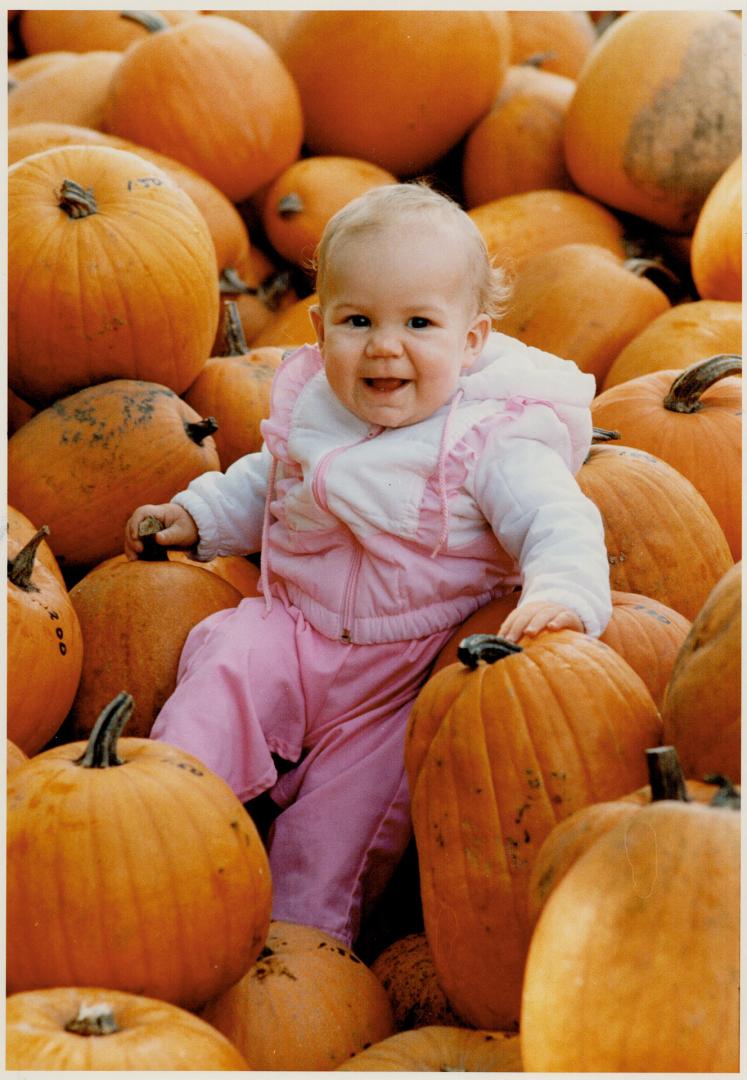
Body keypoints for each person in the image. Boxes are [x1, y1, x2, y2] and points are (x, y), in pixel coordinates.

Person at [124, 182, 612, 950]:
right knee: (218, 673)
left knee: (339, 831)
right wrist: (200, 517)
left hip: (399, 676)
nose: (384, 345)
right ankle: (157, 832)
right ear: (320, 331)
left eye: (418, 322)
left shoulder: (491, 439)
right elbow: (271, 482)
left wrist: (564, 590)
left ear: (472, 339)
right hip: (290, 627)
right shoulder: (319, 402)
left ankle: (298, 953)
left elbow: (552, 518)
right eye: (358, 322)